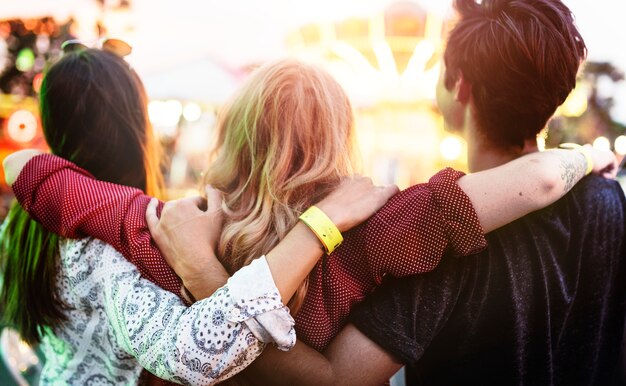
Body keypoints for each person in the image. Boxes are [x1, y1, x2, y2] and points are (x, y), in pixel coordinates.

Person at [3, 57, 616, 384]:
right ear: (339, 136)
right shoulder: (376, 232)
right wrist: (592, 154)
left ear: (235, 132)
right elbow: (535, 180)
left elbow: (37, 177)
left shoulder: (169, 226)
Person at [208, 0, 624, 385]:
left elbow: (336, 378)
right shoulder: (607, 201)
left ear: (458, 85)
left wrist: (209, 290)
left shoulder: (437, 240)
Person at [0, 47, 398, 385]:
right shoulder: (114, 245)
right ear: (138, 127)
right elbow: (193, 352)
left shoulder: (20, 224)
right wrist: (316, 228)